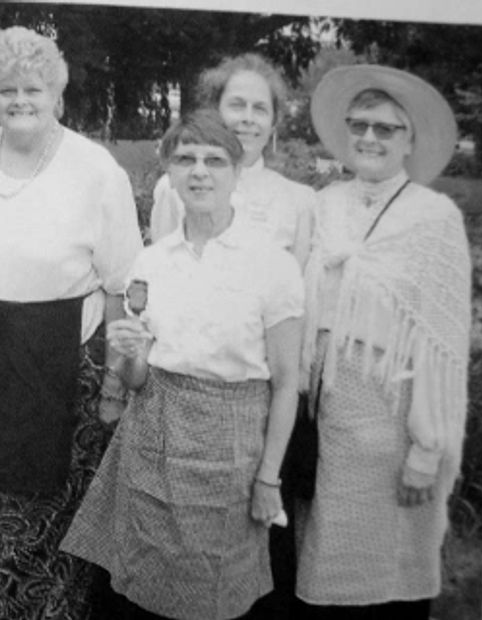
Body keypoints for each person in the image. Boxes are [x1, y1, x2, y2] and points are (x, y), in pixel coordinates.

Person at [0, 26, 142, 619]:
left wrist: (116, 386)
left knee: (45, 524)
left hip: (59, 372)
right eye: (6, 89)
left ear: (59, 97)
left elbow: (123, 286)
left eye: (34, 89)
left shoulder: (97, 171)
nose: (20, 100)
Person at [61, 110, 304, 620]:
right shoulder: (152, 262)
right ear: (168, 172)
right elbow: (138, 380)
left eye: (214, 160)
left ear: (236, 173)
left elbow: (285, 385)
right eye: (185, 159)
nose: (199, 172)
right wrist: (129, 352)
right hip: (152, 443)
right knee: (144, 588)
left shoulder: (272, 264)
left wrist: (268, 479)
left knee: (217, 595)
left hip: (229, 454)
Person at [295, 65, 469, 620]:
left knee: (385, 570)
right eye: (359, 124)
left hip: (391, 420)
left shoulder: (434, 218)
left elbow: (443, 342)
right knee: (320, 557)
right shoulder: (324, 205)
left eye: (386, 129)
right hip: (325, 412)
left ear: (410, 140)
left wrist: (427, 448)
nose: (369, 137)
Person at [149, 54, 315, 267]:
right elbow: (161, 275)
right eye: (237, 105)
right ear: (215, 112)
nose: (248, 118)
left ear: (273, 124)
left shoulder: (299, 202)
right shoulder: (174, 189)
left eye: (260, 109)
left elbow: (297, 291)